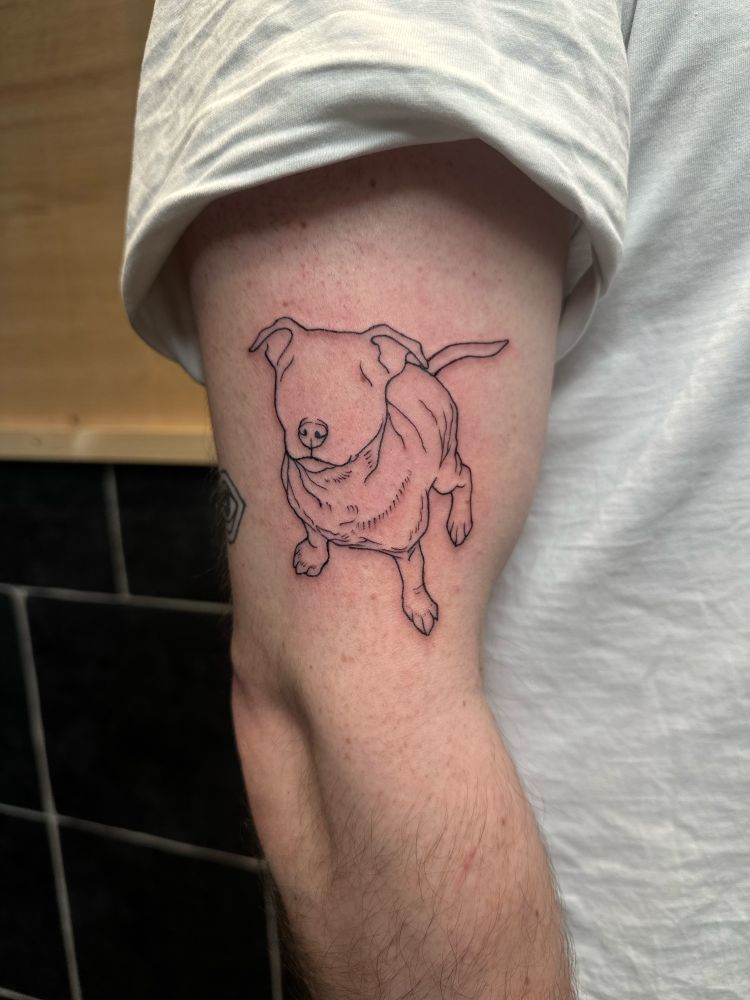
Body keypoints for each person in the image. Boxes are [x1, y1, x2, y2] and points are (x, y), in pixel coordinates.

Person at [121, 2, 750, 997]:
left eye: (336, 406)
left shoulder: (406, 426)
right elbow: (343, 708)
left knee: (432, 485)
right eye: (303, 405)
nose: (312, 428)